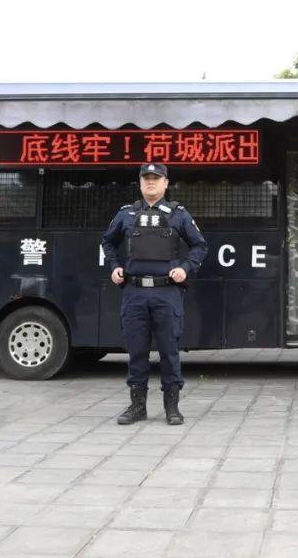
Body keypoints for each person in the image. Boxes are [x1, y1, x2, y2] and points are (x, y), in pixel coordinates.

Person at [101, 163, 208, 425]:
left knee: (169, 352)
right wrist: (114, 267)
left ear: (166, 183)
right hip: (134, 293)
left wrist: (185, 268)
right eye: (146, 178)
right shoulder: (126, 214)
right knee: (137, 352)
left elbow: (199, 246)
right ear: (139, 183)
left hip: (166, 293)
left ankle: (172, 407)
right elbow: (108, 242)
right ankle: (137, 406)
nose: (151, 182)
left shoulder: (178, 215)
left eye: (156, 178)